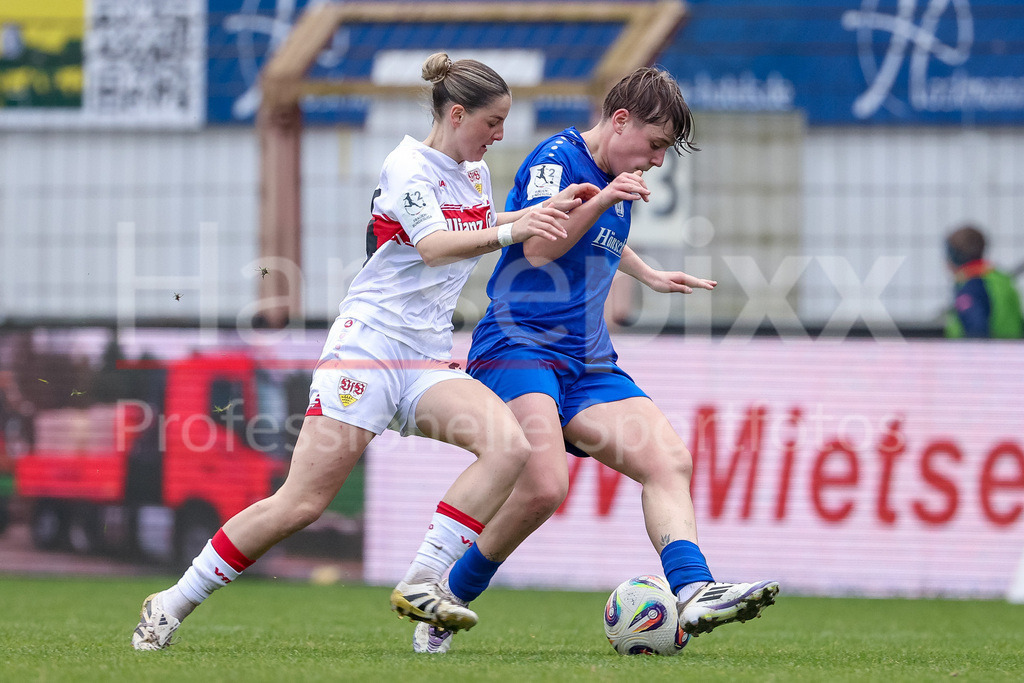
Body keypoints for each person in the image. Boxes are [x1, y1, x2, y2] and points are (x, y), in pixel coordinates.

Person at [131, 52, 595, 650]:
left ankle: (425, 584)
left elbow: (475, 229)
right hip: (368, 349)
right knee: (301, 505)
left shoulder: (475, 174)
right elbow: (432, 245)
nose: (500, 134)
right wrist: (516, 228)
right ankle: (170, 602)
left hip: (425, 359)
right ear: (457, 114)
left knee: (508, 446)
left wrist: (536, 214)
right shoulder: (407, 165)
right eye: (493, 121)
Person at [412, 67, 779, 654]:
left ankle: (694, 590)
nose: (658, 161)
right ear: (621, 121)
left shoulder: (616, 173)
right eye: (656, 145)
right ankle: (444, 601)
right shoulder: (555, 161)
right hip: (519, 345)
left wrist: (647, 273)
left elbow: (601, 233)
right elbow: (537, 246)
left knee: (668, 461)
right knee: (542, 488)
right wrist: (606, 196)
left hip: (587, 360)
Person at [944, 223, 1023, 339]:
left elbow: (976, 331)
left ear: (954, 256)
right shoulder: (999, 278)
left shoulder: (971, 286)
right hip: (1012, 351)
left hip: (990, 354)